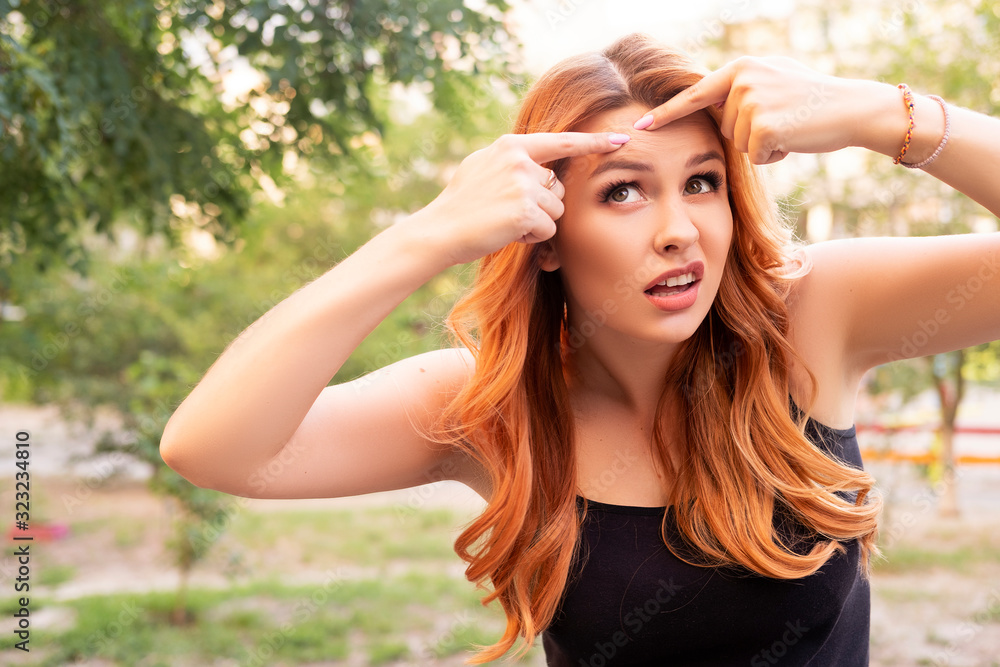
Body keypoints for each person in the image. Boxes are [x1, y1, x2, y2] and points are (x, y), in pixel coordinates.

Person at [160, 33, 1000, 665]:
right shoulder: (489, 405)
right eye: (624, 190)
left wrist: (885, 116)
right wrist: (423, 236)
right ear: (547, 233)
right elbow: (209, 447)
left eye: (702, 181)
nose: (679, 231)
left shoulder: (812, 314)